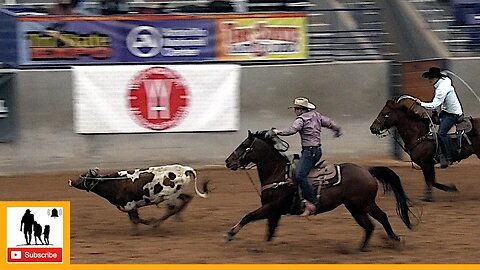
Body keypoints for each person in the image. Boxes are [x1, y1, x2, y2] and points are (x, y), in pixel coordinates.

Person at [273, 97, 342, 217]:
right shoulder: (317, 116)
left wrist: (277, 131)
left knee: (300, 175)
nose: (295, 111)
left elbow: (292, 130)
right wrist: (337, 130)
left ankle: (313, 202)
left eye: (296, 108)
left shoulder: (301, 120)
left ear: (301, 109)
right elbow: (330, 123)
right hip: (316, 151)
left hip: (309, 152)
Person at [416, 67, 464, 168]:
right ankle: (437, 155)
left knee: (442, 133)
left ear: (436, 78)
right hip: (446, 111)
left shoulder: (442, 89)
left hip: (453, 114)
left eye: (431, 78)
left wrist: (421, 103)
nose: (429, 80)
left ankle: (448, 157)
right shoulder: (444, 81)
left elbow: (435, 104)